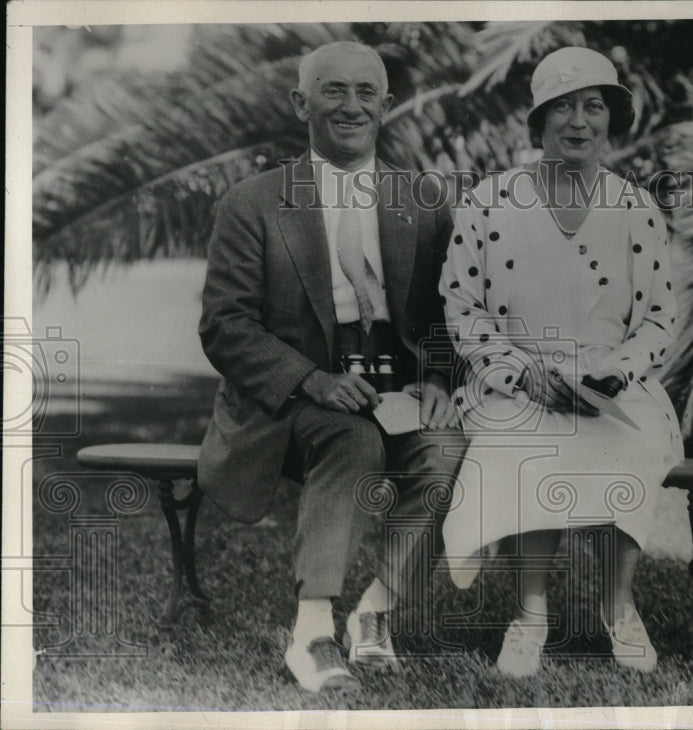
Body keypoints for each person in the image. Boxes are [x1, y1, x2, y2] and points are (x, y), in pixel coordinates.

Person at [197, 41, 466, 693]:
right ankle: (313, 631)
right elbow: (225, 325)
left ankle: (375, 615)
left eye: (365, 93)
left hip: (389, 392)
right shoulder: (254, 202)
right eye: (333, 91)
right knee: (353, 436)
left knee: (447, 444)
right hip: (284, 405)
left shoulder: (421, 201)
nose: (351, 107)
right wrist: (312, 381)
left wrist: (434, 377)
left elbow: (442, 312)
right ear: (301, 103)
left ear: (388, 106)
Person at [439, 46, 684, 677]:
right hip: (516, 380)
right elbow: (463, 308)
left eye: (594, 106)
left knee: (629, 440)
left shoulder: (636, 208)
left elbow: (660, 315)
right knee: (527, 442)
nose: (579, 121)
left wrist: (617, 372)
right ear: (538, 120)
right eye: (563, 107)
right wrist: (520, 372)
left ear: (612, 119)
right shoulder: (489, 202)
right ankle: (530, 615)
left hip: (612, 380)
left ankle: (619, 609)